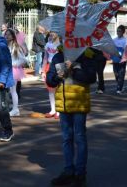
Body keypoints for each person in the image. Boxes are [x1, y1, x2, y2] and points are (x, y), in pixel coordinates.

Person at [46, 48, 96, 187]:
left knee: (80, 137)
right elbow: (50, 80)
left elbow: (91, 78)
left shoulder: (86, 55)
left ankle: (80, 174)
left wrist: (74, 68)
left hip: (79, 104)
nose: (67, 40)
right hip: (64, 104)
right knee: (66, 138)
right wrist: (57, 77)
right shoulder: (58, 56)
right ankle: (68, 171)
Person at [5, 29, 27, 117]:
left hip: (14, 70)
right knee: (9, 91)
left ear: (13, 36)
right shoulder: (6, 45)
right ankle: (13, 108)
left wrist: (13, 64)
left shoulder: (16, 46)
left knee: (13, 91)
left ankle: (15, 109)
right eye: (6, 34)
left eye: (9, 34)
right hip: (7, 70)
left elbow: (23, 59)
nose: (7, 36)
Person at [41, 31, 61, 119]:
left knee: (59, 89)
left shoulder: (61, 44)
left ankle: (59, 110)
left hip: (58, 65)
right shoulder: (48, 44)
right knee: (50, 89)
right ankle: (53, 109)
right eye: (51, 32)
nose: (52, 34)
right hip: (49, 66)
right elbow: (45, 57)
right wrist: (43, 70)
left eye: (54, 32)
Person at [112, 25, 127, 94]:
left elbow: (126, 50)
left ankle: (119, 88)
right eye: (117, 31)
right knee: (116, 74)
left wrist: (123, 59)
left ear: (123, 32)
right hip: (115, 59)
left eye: (119, 31)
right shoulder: (114, 40)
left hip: (122, 59)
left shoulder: (125, 40)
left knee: (121, 74)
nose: (118, 32)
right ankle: (120, 86)